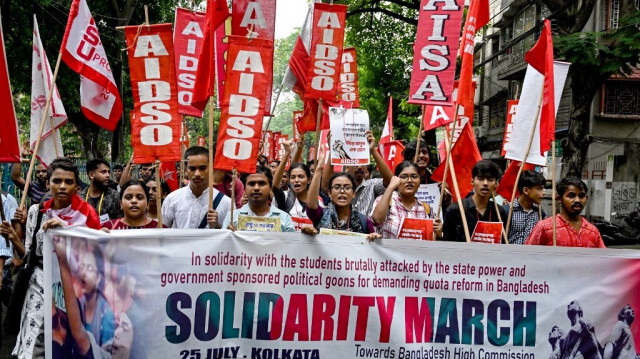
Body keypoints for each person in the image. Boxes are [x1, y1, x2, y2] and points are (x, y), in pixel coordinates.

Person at [2, 158, 101, 359]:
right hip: (39, 284)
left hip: (74, 288)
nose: (62, 186)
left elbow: (97, 252)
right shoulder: (37, 212)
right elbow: (28, 254)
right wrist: (13, 238)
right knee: (35, 343)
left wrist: (67, 230)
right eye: (57, 181)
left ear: (76, 186)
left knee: (68, 343)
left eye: (68, 182)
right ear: (48, 183)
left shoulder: (87, 214)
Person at [305, 149, 380, 240]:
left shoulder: (364, 221)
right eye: (337, 187)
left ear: (353, 193)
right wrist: (319, 168)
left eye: (347, 187)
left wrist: (374, 238)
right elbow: (311, 204)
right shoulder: (321, 215)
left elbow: (372, 249)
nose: (342, 191)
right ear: (329, 193)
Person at [323, 130, 393, 216]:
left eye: (363, 163)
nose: (360, 167)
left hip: (365, 229)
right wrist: (333, 152)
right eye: (356, 163)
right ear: (347, 166)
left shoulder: (372, 185)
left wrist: (373, 151)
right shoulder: (338, 183)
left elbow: (390, 182)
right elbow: (325, 186)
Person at [162, 146, 231, 229]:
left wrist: (218, 226)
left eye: (202, 168)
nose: (197, 173)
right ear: (185, 169)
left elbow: (231, 237)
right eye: (192, 168)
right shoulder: (172, 199)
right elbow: (162, 232)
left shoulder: (226, 203)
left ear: (211, 169)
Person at [370, 161, 443, 240]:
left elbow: (430, 240)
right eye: (404, 177)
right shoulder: (386, 201)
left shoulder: (426, 209)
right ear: (396, 179)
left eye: (414, 176)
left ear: (419, 180)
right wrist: (391, 187)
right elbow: (377, 220)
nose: (409, 180)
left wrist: (438, 233)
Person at [525, 177, 604, 248]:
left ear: (586, 198)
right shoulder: (545, 228)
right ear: (559, 199)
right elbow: (527, 257)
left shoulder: (592, 231)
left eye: (581, 196)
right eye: (571, 195)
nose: (577, 200)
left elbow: (603, 260)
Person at [442, 160, 507, 242]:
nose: (485, 183)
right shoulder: (456, 210)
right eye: (480, 179)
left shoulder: (500, 213)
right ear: (472, 181)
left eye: (490, 179)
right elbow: (447, 244)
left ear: (496, 184)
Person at [222, 166, 295, 232]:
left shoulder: (285, 219)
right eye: (251, 184)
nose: (256, 188)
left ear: (270, 188)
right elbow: (222, 245)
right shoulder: (232, 218)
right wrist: (227, 237)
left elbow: (292, 245)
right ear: (244, 188)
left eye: (262, 184)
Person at [505, 170, 547, 244]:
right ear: (526, 190)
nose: (544, 193)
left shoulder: (540, 213)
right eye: (540, 189)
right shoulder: (507, 211)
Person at [79, 159, 122, 223]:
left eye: (108, 172)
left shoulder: (114, 196)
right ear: (91, 175)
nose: (107, 175)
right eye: (103, 172)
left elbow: (120, 222)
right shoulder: (80, 198)